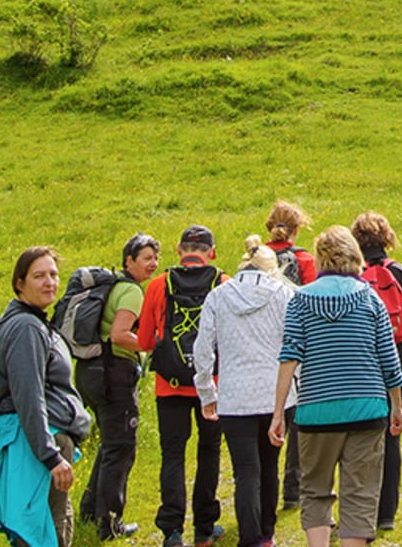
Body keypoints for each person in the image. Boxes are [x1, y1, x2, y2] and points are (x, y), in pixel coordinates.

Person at [272, 227, 402, 547]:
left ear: (320, 259)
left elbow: (289, 357)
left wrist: (278, 412)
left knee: (315, 490)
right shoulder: (370, 297)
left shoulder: (301, 299)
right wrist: (397, 406)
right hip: (367, 408)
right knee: (359, 493)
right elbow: (389, 359)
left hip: (316, 411)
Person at [0, 245, 93, 547]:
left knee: (41, 531)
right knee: (44, 534)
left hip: (30, 443)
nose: (49, 282)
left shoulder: (30, 322)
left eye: (54, 275)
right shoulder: (26, 328)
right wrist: (51, 457)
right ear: (20, 283)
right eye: (39, 276)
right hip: (33, 448)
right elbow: (28, 398)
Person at [196, 237, 297, 547]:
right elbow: (294, 344)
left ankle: (250, 536)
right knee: (270, 465)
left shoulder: (218, 296)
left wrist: (206, 391)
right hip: (276, 394)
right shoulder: (283, 294)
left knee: (245, 471)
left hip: (235, 394)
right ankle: (267, 531)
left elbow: (202, 349)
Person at [134, 225, 227, 547]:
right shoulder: (223, 283)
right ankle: (205, 526)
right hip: (211, 386)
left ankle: (172, 530)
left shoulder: (160, 284)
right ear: (211, 253)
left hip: (169, 384)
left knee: (172, 454)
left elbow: (145, 341)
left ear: (179, 250)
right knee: (209, 452)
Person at [75, 234, 158, 540]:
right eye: (146, 258)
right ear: (129, 261)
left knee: (111, 443)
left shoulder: (111, 287)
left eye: (155, 258)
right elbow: (121, 334)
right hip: (113, 374)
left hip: (90, 372)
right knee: (121, 447)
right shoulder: (131, 292)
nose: (153, 264)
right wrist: (150, 346)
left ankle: (89, 511)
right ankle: (110, 524)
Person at [351, 211, 402, 537]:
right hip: (400, 364)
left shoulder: (351, 279)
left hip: (361, 367)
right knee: (392, 436)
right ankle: (387, 514)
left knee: (360, 441)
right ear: (387, 238)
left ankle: (360, 512)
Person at [264, 200, 317, 505]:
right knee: (297, 418)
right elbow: (309, 301)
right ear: (297, 229)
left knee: (267, 412)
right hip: (296, 342)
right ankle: (293, 490)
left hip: (262, 343)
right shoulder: (306, 259)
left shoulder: (255, 258)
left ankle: (267, 480)